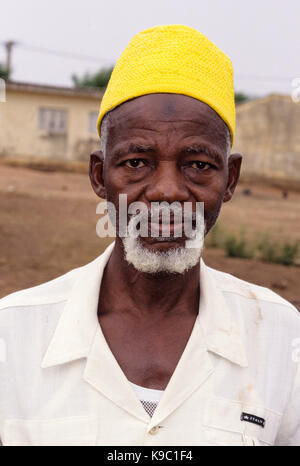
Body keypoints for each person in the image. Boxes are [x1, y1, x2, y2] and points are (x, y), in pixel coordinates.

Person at [0, 25, 299, 447]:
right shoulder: (13, 334)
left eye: (198, 165)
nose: (166, 192)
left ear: (230, 179)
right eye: (137, 162)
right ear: (98, 175)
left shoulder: (281, 336)